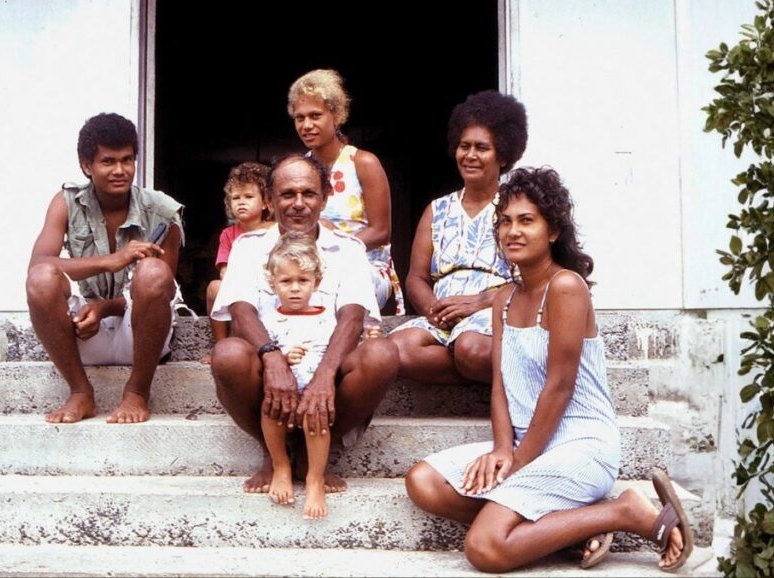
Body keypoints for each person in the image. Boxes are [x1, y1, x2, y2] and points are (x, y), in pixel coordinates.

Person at [404, 168, 693, 573]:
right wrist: (503, 449)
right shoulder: (504, 297)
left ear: (553, 230)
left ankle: (625, 512)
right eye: (505, 221)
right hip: (526, 444)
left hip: (580, 444)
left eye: (527, 221)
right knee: (424, 481)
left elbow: (559, 386)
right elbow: (501, 386)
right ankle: (567, 531)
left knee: (485, 548)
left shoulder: (566, 288)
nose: (512, 231)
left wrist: (519, 461)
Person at [210, 154, 400, 495]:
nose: (299, 203)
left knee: (382, 355)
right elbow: (241, 311)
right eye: (287, 194)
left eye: (309, 194)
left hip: (327, 371)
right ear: (269, 200)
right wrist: (272, 359)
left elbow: (353, 316)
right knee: (227, 355)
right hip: (271, 373)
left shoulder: (349, 249)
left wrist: (325, 376)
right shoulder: (247, 247)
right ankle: (274, 453)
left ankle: (315, 458)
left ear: (325, 197)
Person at [26, 112, 183, 424]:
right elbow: (38, 264)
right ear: (87, 165)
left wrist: (104, 307)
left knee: (153, 272)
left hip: (141, 336)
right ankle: (80, 392)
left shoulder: (164, 211)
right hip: (83, 332)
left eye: (127, 160)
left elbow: (163, 288)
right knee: (41, 279)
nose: (120, 170)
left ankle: (137, 393)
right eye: (108, 161)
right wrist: (110, 260)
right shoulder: (66, 202)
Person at [389, 91, 527, 386]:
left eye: (482, 148)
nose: (471, 155)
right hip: (444, 316)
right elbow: (416, 277)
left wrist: (478, 302)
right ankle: (477, 371)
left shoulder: (517, 208)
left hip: (494, 312)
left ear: (502, 155)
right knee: (393, 350)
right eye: (465, 146)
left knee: (471, 347)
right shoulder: (437, 209)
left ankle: (477, 362)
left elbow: (531, 279)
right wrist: (434, 311)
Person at [287, 69, 404, 315]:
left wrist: (331, 247)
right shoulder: (299, 168)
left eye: (315, 115)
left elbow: (381, 232)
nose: (307, 125)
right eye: (300, 118)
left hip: (362, 266)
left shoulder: (363, 162)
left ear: (336, 115)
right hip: (307, 264)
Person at [259, 232, 337, 519]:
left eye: (303, 281)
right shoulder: (269, 320)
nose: (294, 289)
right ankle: (281, 465)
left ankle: (315, 478)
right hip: (282, 392)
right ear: (273, 284)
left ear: (316, 282)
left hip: (314, 393)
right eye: (285, 282)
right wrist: (281, 354)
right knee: (270, 410)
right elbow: (262, 355)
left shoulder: (328, 319)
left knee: (316, 419)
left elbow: (334, 353)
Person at [201, 162, 275, 364]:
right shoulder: (228, 234)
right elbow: (224, 270)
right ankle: (221, 344)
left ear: (266, 202)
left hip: (271, 287)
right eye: (236, 198)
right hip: (240, 285)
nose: (241, 202)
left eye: (249, 197)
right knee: (214, 288)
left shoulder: (274, 230)